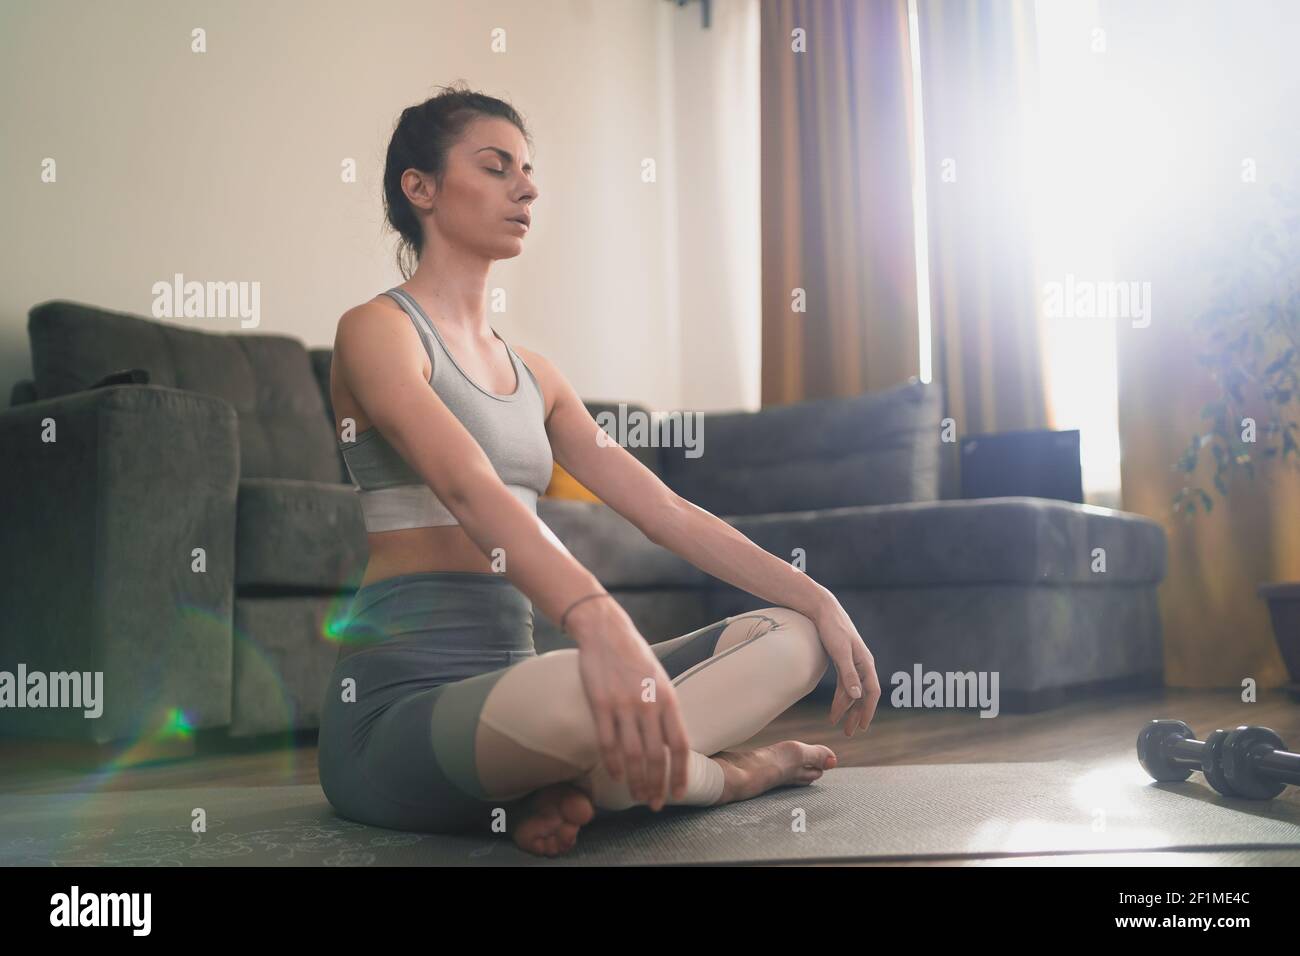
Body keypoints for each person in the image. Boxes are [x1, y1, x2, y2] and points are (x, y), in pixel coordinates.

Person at [317, 82, 881, 857]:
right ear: (421, 188)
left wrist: (820, 599)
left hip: (523, 690)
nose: (528, 186)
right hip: (401, 710)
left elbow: (664, 512)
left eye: (528, 168)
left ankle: (577, 787)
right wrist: (597, 617)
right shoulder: (377, 331)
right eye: (496, 166)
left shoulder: (539, 377)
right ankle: (731, 776)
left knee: (790, 638)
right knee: (585, 692)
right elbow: (467, 486)